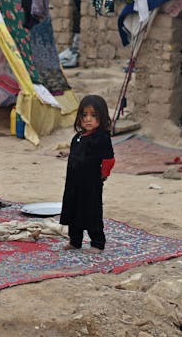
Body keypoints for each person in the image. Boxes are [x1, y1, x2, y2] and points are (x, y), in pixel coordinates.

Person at [60, 95, 115, 253]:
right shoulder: (77, 138)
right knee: (73, 210)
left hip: (91, 184)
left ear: (102, 117)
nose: (88, 119)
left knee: (91, 212)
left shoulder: (102, 138)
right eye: (84, 115)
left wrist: (102, 176)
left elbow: (109, 160)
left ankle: (97, 242)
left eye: (93, 115)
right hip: (73, 184)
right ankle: (75, 241)